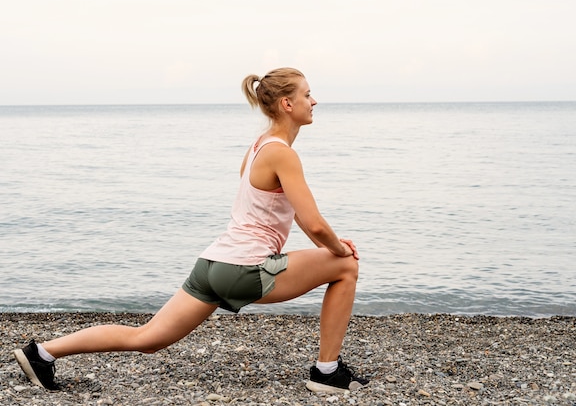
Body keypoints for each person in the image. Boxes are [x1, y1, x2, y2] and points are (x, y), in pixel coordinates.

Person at [13, 67, 369, 395]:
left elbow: (287, 217)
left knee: (148, 337)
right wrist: (339, 250)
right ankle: (327, 373)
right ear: (287, 103)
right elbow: (316, 224)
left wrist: (327, 244)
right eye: (308, 94)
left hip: (212, 265)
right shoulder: (283, 154)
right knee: (347, 266)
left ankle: (41, 353)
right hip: (244, 268)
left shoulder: (259, 147)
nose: (314, 100)